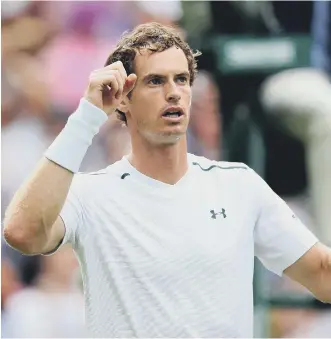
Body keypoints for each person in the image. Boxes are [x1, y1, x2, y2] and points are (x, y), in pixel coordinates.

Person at [3, 22, 331, 338]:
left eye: (182, 79)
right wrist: (86, 117)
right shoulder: (91, 193)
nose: (173, 93)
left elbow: (322, 274)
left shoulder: (239, 186)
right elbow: (22, 233)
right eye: (156, 81)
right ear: (122, 98)